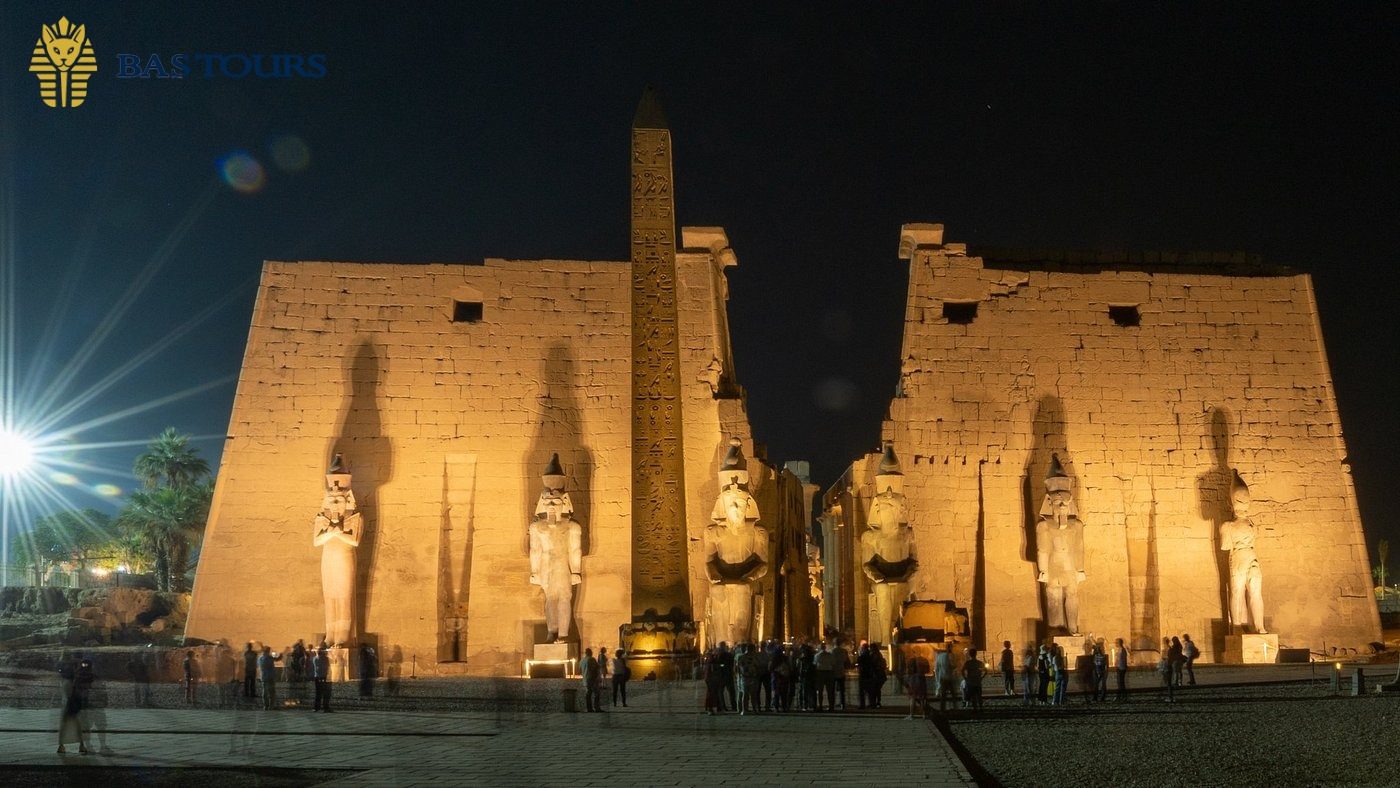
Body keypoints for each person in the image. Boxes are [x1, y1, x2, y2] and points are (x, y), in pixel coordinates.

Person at [56, 652, 87, 754]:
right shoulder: (74, 667)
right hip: (72, 701)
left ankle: (61, 745)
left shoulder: (63, 671)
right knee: (77, 724)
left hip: (68, 701)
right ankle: (81, 745)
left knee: (64, 724)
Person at [904, 654, 929, 719]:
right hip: (921, 684)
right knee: (922, 699)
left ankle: (911, 715)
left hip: (913, 684)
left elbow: (907, 677)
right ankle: (924, 715)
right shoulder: (920, 668)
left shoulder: (910, 669)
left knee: (912, 699)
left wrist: (907, 685)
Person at [580, 647, 603, 712]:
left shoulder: (582, 660)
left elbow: (580, 670)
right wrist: (597, 678)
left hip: (585, 679)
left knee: (588, 694)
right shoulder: (592, 659)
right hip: (592, 679)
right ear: (590, 653)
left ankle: (589, 708)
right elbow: (595, 668)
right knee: (597, 694)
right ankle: (597, 707)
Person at [933, 643, 955, 712]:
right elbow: (948, 666)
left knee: (944, 695)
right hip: (947, 678)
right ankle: (953, 708)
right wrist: (953, 667)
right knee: (952, 694)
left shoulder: (939, 657)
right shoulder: (946, 656)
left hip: (943, 678)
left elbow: (936, 668)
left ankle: (943, 709)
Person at [813, 642, 835, 711]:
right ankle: (831, 706)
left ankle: (820, 706)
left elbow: (814, 664)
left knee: (820, 690)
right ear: (825, 648)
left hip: (820, 673)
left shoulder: (817, 655)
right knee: (830, 691)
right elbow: (833, 663)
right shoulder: (830, 655)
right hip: (828, 672)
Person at [831, 639, 850, 710]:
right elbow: (846, 660)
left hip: (834, 672)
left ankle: (832, 704)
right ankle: (842, 704)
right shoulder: (844, 651)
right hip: (842, 671)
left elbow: (832, 661)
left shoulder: (833, 651)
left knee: (832, 690)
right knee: (842, 690)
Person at [312, 646, 332, 712]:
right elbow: (328, 665)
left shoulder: (314, 659)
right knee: (326, 693)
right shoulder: (325, 659)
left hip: (317, 677)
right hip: (323, 677)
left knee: (318, 693)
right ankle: (325, 708)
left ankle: (316, 707)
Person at [259, 646, 278, 710]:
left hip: (263, 676)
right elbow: (276, 660)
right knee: (271, 692)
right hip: (270, 676)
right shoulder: (269, 658)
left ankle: (265, 705)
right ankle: (271, 705)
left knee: (265, 691)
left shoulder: (260, 658)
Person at [870, 644, 889, 709]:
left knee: (875, 689)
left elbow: (873, 664)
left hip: (877, 675)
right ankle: (877, 702)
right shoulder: (879, 654)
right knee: (877, 689)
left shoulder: (873, 655)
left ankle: (875, 703)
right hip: (881, 675)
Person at [1113, 638, 1131, 702]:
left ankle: (1121, 696)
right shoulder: (1120, 650)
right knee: (1120, 683)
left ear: (1119, 643)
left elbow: (1122, 660)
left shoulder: (1122, 650)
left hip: (1121, 668)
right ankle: (1121, 696)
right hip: (1120, 668)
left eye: (1116, 642)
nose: (1115, 644)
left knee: (1121, 683)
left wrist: (1118, 665)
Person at [1158, 637, 1175, 703]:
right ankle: (1170, 696)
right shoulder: (1170, 648)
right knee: (1168, 682)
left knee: (1167, 683)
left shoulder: (1165, 649)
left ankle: (1170, 697)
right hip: (1169, 666)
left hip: (1166, 666)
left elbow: (1163, 658)